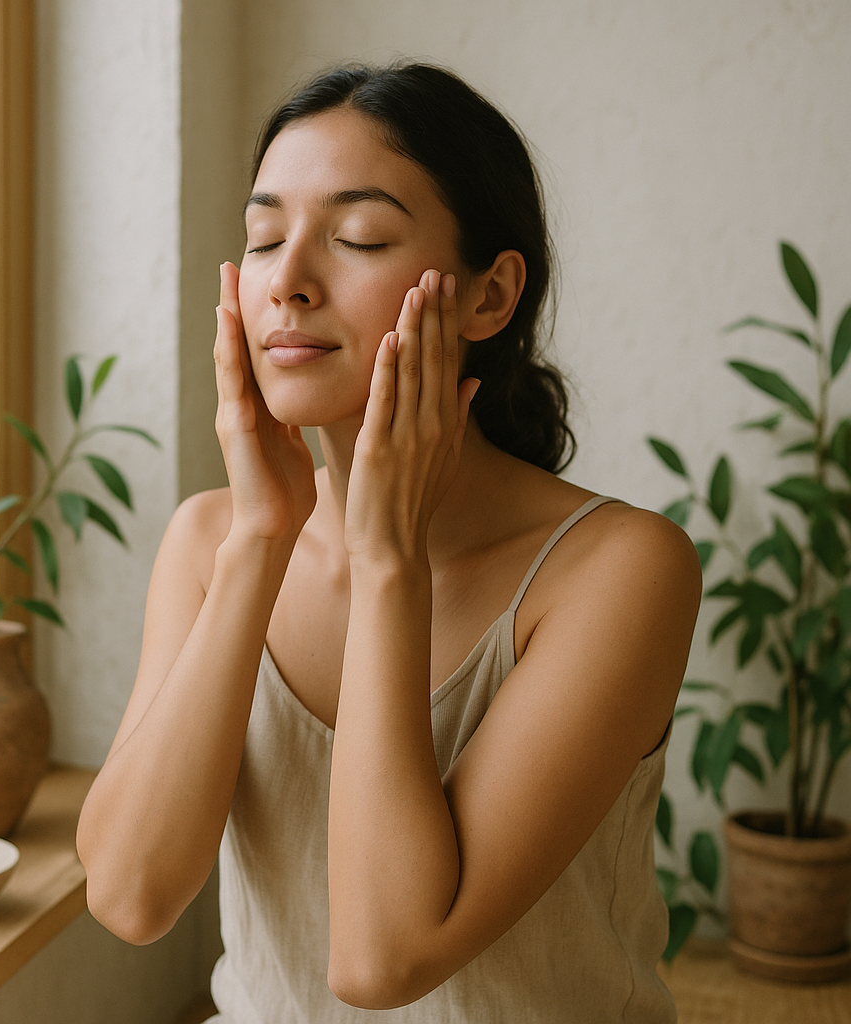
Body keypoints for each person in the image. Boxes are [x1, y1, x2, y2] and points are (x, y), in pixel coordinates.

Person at [77, 61, 701, 1022]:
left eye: (359, 237)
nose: (287, 283)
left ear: (489, 296)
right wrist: (259, 539)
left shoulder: (621, 571)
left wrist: (388, 560)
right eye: (263, 238)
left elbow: (382, 962)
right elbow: (130, 898)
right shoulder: (210, 540)